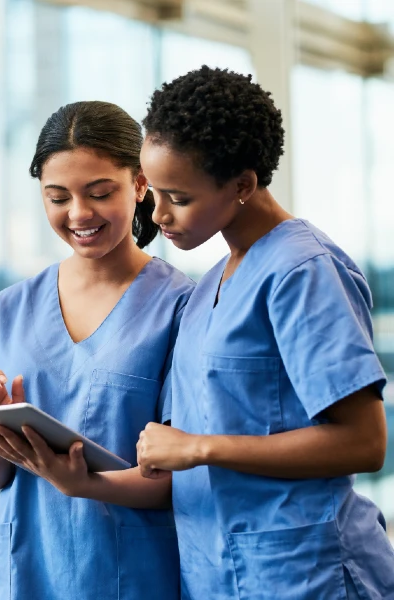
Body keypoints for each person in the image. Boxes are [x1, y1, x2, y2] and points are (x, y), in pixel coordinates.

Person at [135, 66, 394, 599]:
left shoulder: (302, 272)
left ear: (243, 185)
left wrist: (201, 448)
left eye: (178, 197)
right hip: (218, 573)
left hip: (302, 574)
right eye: (153, 192)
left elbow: (365, 443)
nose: (159, 215)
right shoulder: (209, 286)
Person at [0, 101, 193, 600]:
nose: (78, 214)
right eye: (57, 197)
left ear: (141, 185)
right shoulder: (8, 309)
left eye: (99, 193)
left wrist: (82, 483)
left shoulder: (181, 307)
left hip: (131, 576)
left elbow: (185, 478)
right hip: (26, 575)